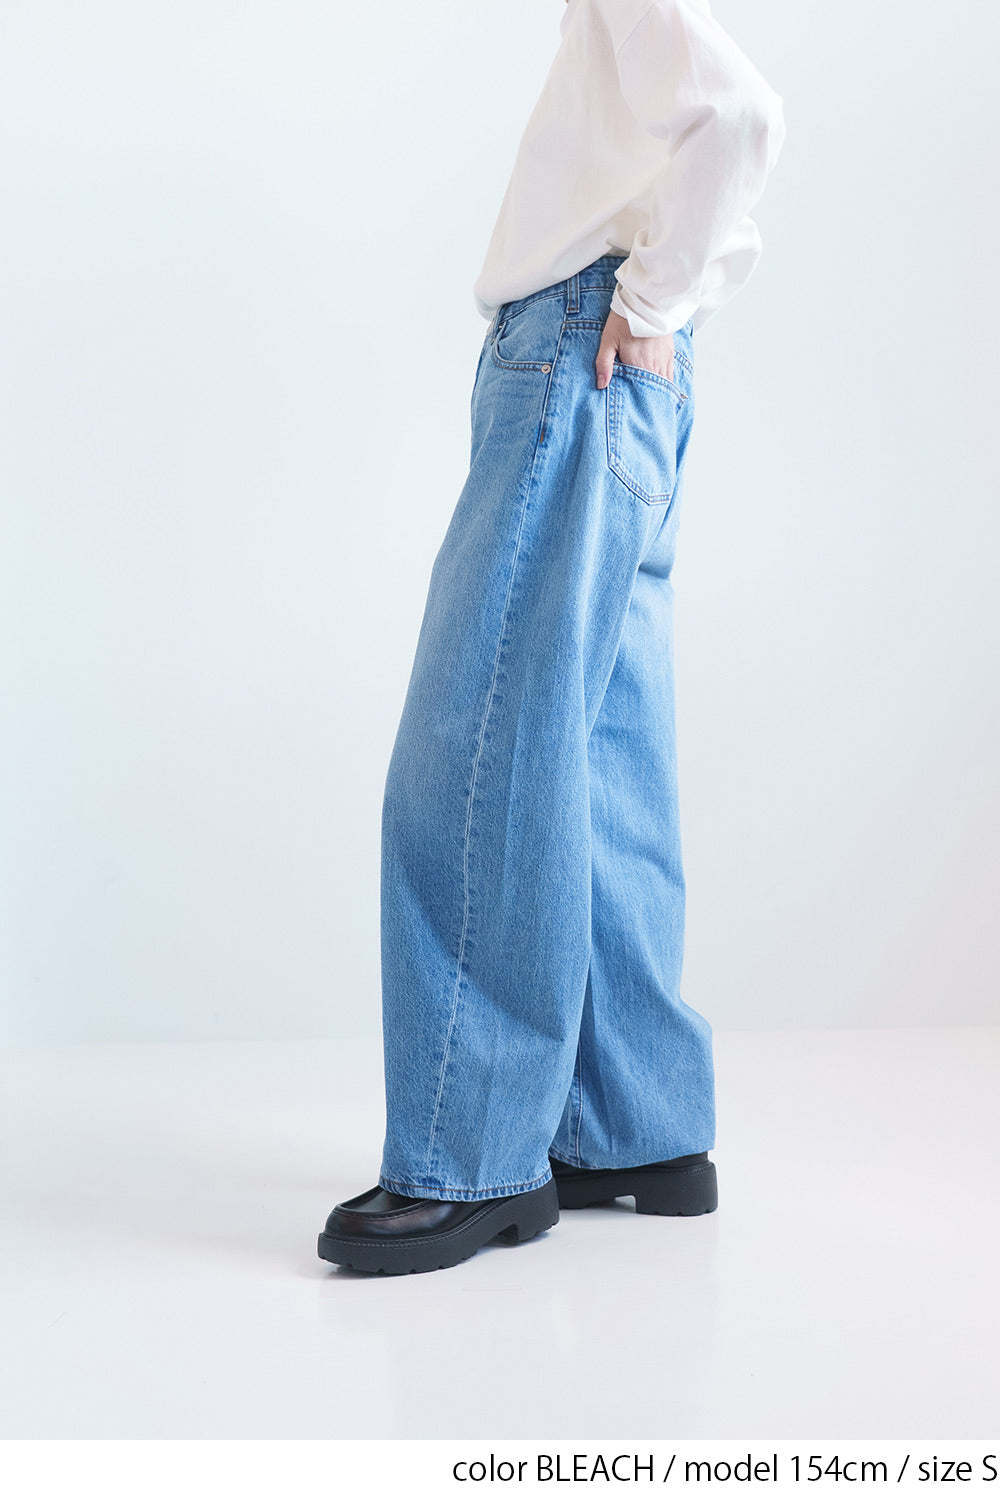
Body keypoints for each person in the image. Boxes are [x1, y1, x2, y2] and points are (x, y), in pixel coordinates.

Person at [318, 0, 786, 1275]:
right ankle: (632, 1126)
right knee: (599, 765)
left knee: (477, 754)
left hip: (581, 351)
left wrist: (649, 297)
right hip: (626, 366)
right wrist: (658, 307)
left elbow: (739, 113)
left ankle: (468, 1157)